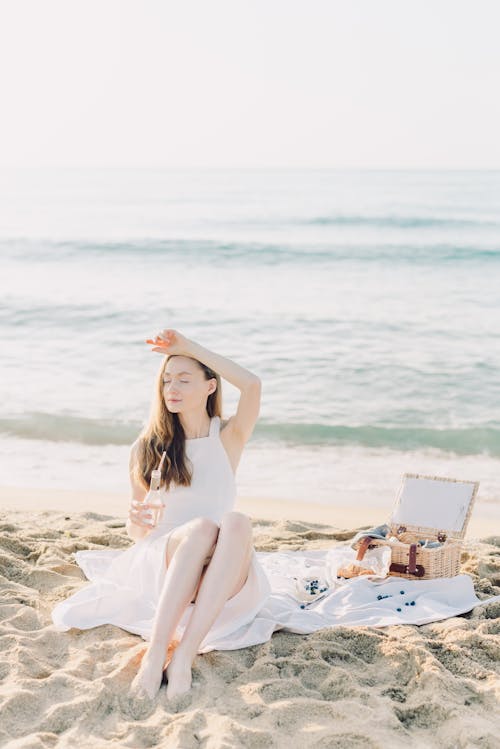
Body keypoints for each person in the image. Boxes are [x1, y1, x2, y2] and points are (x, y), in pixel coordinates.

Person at [51, 328, 272, 702]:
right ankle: (157, 653)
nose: (173, 387)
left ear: (210, 387)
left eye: (185, 379)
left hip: (220, 572)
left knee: (236, 522)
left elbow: (252, 385)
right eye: (167, 380)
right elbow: (137, 534)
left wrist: (187, 347)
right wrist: (137, 520)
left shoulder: (227, 438)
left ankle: (183, 655)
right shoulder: (148, 447)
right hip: (166, 560)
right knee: (202, 528)